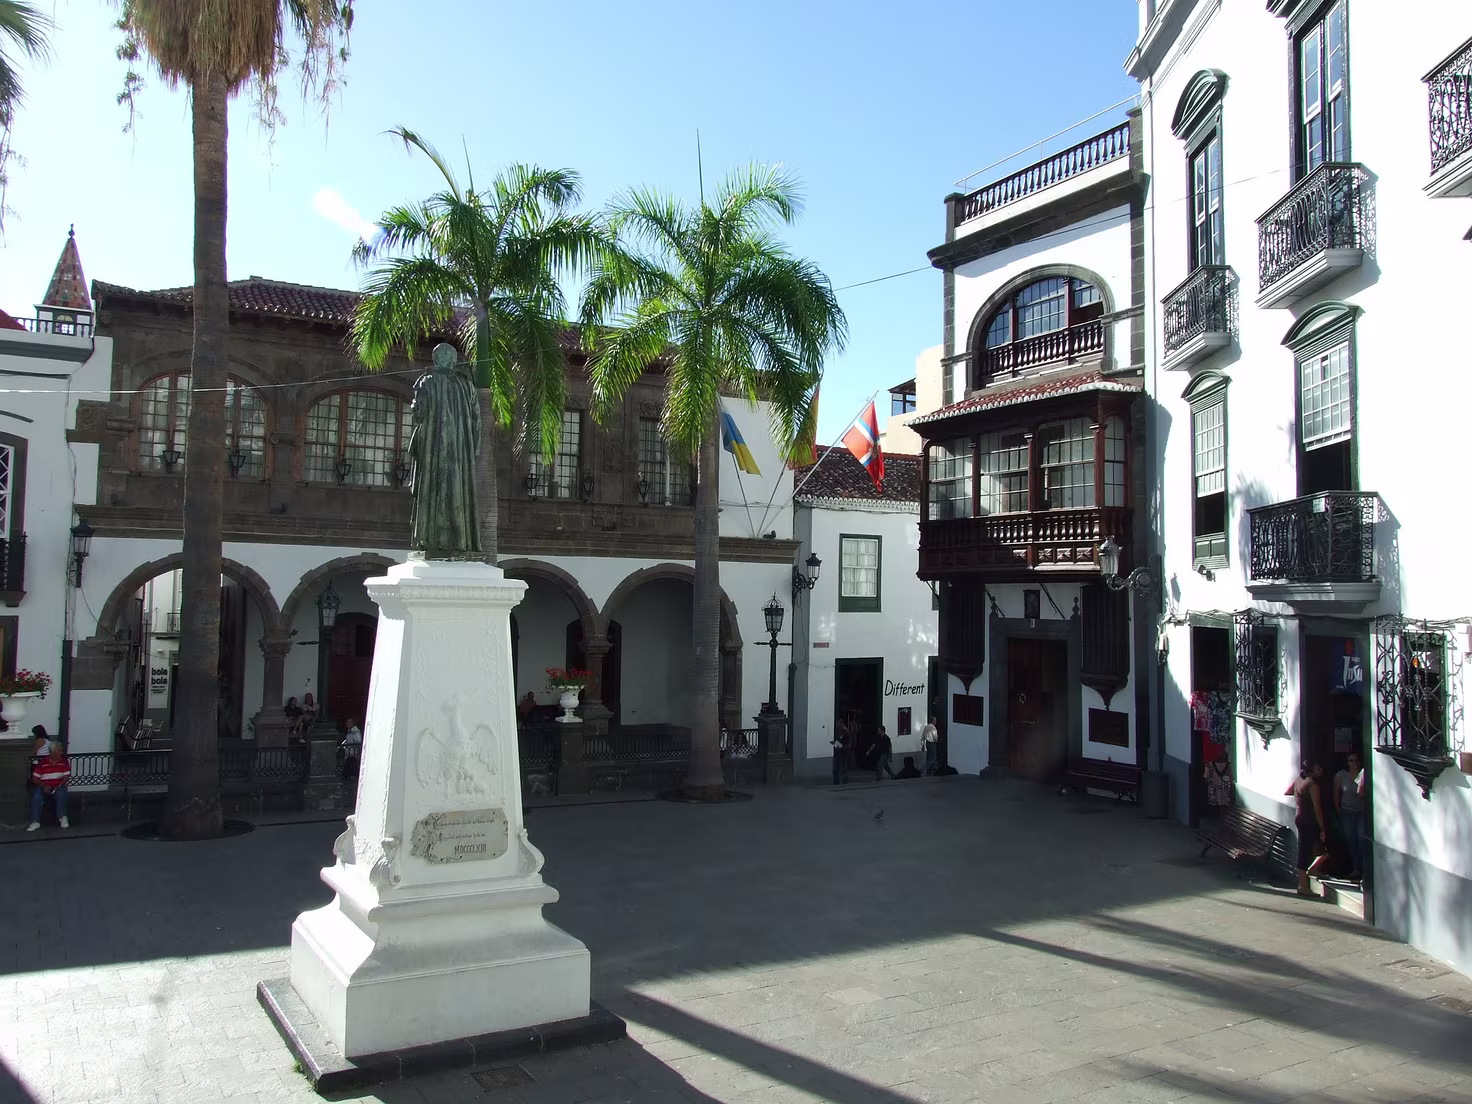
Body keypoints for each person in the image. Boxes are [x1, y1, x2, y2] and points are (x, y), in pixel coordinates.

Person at [1286, 759, 1331, 896]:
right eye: (1318, 769)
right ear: (1311, 771)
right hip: (1310, 821)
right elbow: (1317, 809)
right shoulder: (1312, 785)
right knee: (1308, 851)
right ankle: (1303, 885)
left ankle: (1314, 870)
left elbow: (1288, 792)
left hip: (1300, 818)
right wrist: (1323, 828)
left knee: (1318, 849)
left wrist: (1300, 795)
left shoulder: (1299, 780)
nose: (1321, 771)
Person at [1334, 752, 1366, 882]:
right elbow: (1336, 793)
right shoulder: (1341, 775)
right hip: (1347, 812)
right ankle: (1356, 868)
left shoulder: (1363, 774)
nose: (1354, 763)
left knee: (1361, 840)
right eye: (1351, 761)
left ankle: (1364, 869)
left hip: (1361, 812)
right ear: (1347, 763)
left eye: (1356, 760)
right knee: (1351, 841)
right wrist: (1338, 808)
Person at [27, 741, 71, 831]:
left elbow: (66, 776)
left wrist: (60, 785)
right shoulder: (43, 762)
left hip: (58, 785)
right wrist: (44, 786)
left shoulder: (64, 761)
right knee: (37, 797)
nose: (61, 753)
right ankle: (35, 822)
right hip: (43, 785)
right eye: (59, 751)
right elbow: (35, 778)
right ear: (53, 752)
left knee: (61, 795)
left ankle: (62, 817)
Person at [831, 719, 851, 785]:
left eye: (838, 726)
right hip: (840, 753)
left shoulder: (847, 733)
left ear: (842, 724)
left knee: (843, 768)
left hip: (843, 753)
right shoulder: (842, 732)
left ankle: (844, 782)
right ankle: (838, 782)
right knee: (838, 768)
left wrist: (841, 747)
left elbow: (848, 745)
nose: (838, 727)